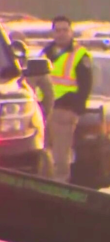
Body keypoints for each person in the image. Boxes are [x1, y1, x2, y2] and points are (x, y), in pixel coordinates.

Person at [40, 16, 93, 183]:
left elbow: (86, 85)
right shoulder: (45, 52)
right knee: (43, 155)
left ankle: (60, 188)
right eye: (58, 30)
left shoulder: (80, 54)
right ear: (53, 32)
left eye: (65, 30)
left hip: (65, 111)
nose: (61, 34)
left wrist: (76, 109)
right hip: (43, 110)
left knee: (61, 157)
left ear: (71, 32)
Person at [8, 30, 54, 123]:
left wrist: (42, 113)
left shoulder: (35, 67)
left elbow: (49, 95)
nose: (17, 49)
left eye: (20, 45)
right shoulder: (4, 64)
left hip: (26, 115)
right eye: (14, 44)